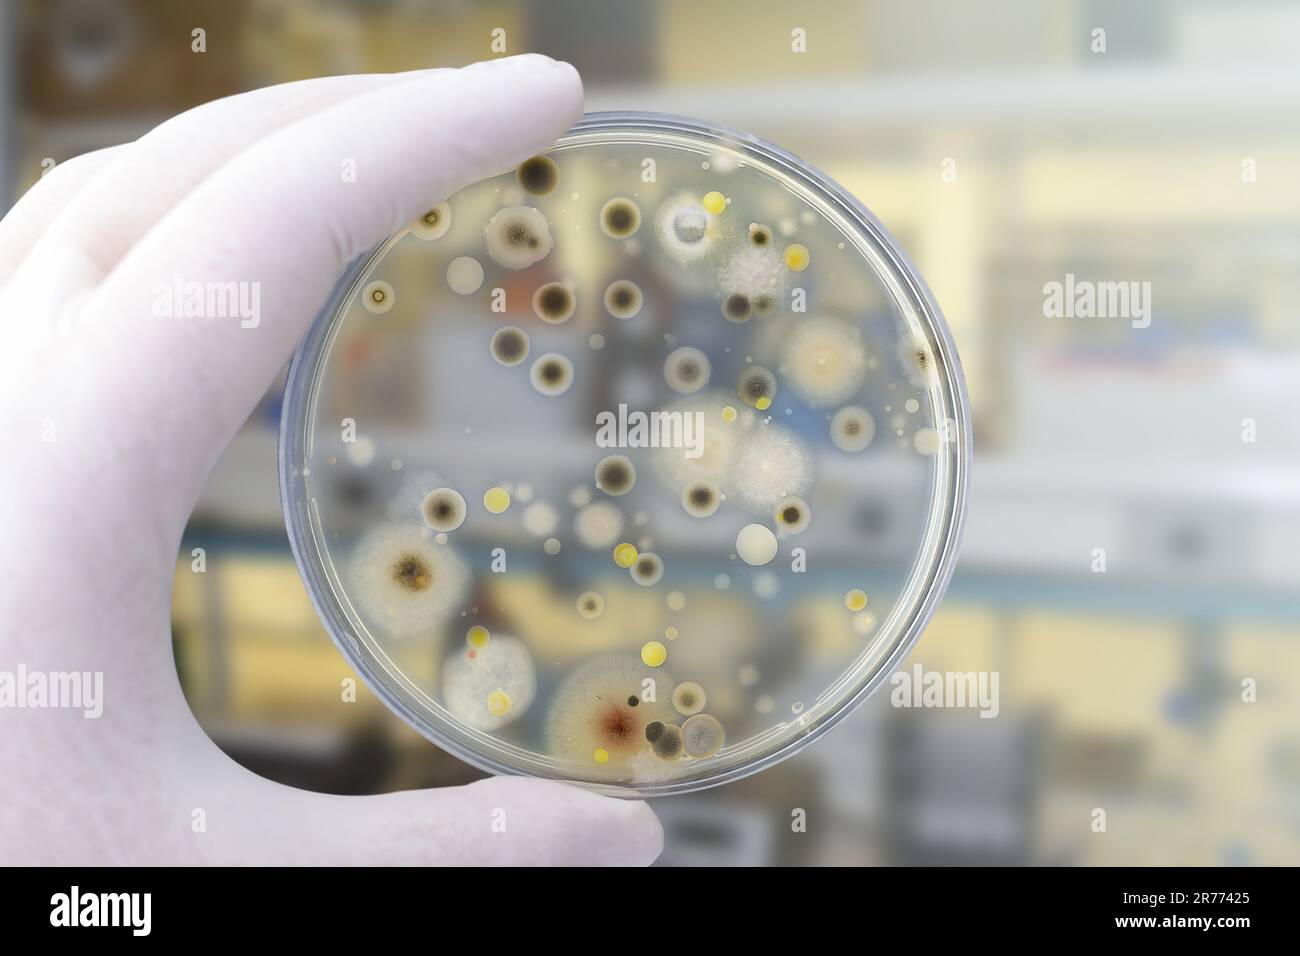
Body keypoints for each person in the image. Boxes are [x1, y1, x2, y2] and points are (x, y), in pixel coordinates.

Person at [0, 54, 662, 866]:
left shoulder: (544, 350)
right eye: (520, 268)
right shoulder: (447, 353)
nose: (535, 279)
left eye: (541, 267)